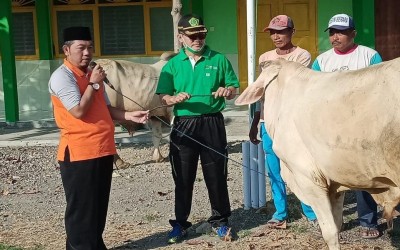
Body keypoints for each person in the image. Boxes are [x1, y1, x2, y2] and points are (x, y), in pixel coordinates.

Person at [48, 26, 149, 250]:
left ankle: (95, 244)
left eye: (90, 47)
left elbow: (103, 107)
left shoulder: (90, 75)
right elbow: (79, 111)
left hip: (103, 149)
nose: (87, 52)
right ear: (66, 50)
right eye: (81, 48)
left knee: (97, 206)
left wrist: (129, 115)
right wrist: (94, 83)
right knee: (81, 209)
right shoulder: (62, 77)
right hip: (79, 152)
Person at [156, 14, 240, 244]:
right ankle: (181, 223)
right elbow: (162, 97)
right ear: (180, 37)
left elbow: (233, 87)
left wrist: (227, 91)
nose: (197, 39)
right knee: (183, 176)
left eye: (201, 34)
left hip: (212, 122)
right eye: (192, 35)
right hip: (184, 124)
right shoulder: (172, 65)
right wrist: (172, 98)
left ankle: (221, 221)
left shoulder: (219, 59)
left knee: (216, 174)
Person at [311, 13, 383, 239]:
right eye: (332, 32)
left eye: (341, 32)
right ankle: (331, 220)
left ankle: (367, 220)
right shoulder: (322, 61)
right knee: (328, 175)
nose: (335, 37)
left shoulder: (370, 56)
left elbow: (380, 89)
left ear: (353, 33)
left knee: (362, 173)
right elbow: (312, 93)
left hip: (363, 127)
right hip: (331, 128)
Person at [249, 14, 318, 229]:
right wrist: (255, 120)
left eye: (281, 31)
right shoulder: (264, 57)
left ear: (292, 32)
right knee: (273, 168)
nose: (277, 36)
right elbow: (263, 91)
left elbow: (297, 88)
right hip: (268, 121)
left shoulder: (302, 56)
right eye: (273, 32)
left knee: (299, 166)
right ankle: (280, 213)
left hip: (293, 121)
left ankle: (310, 210)